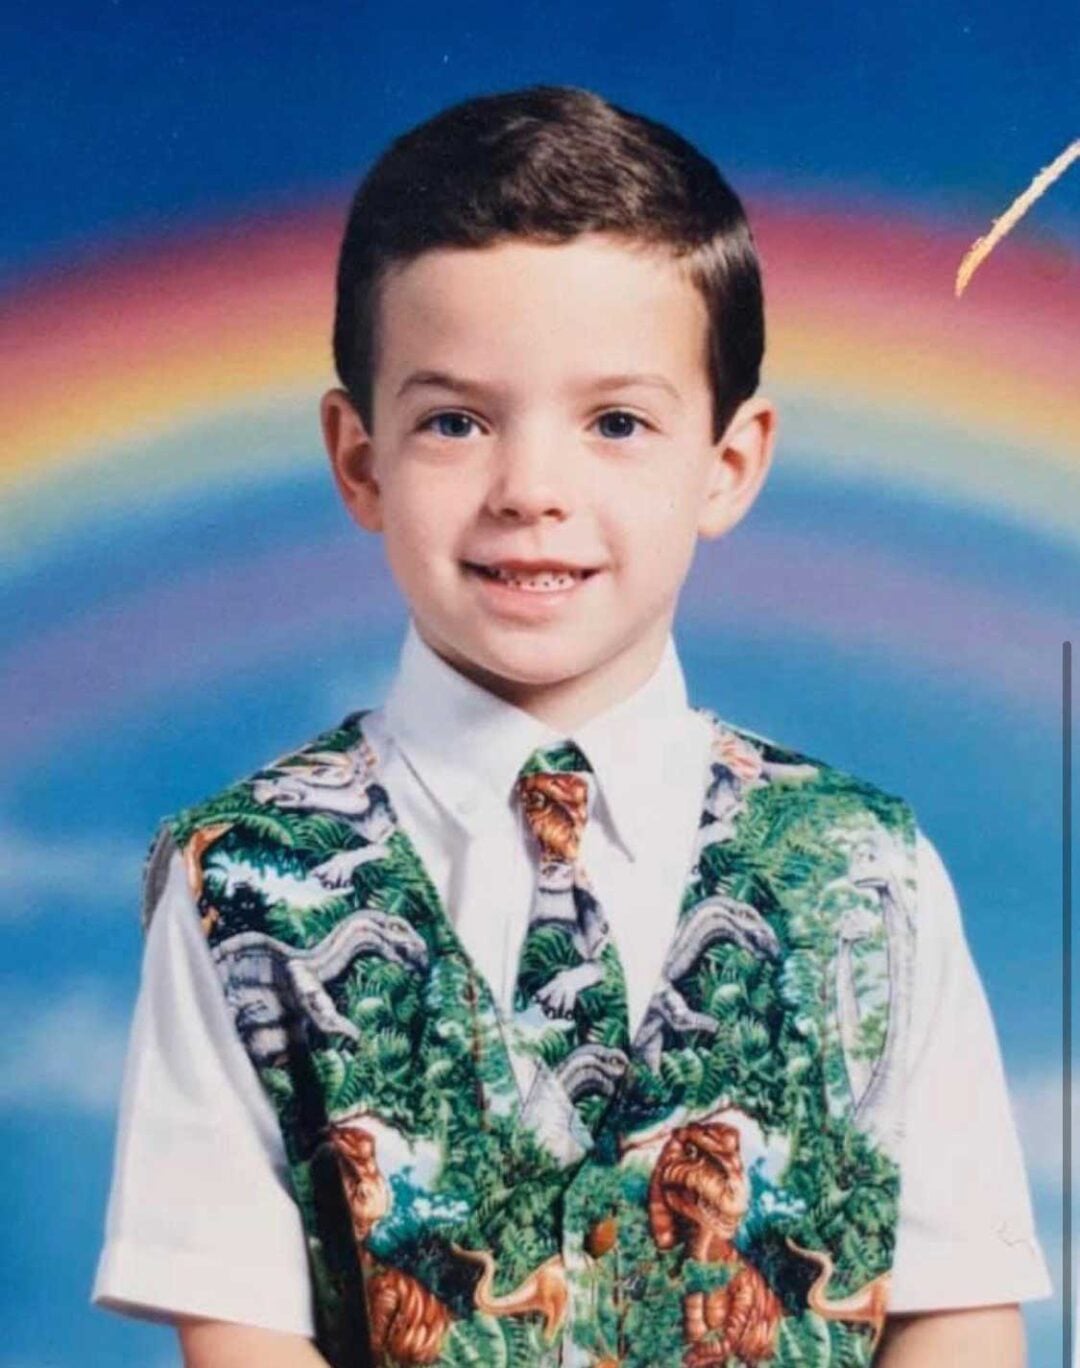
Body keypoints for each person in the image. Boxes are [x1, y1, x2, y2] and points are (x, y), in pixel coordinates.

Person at [91, 85, 1051, 1367]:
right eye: (455, 421)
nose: (532, 491)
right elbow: (243, 1338)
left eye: (615, 423)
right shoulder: (244, 882)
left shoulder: (868, 871)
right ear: (359, 458)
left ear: (730, 460)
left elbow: (959, 1310)